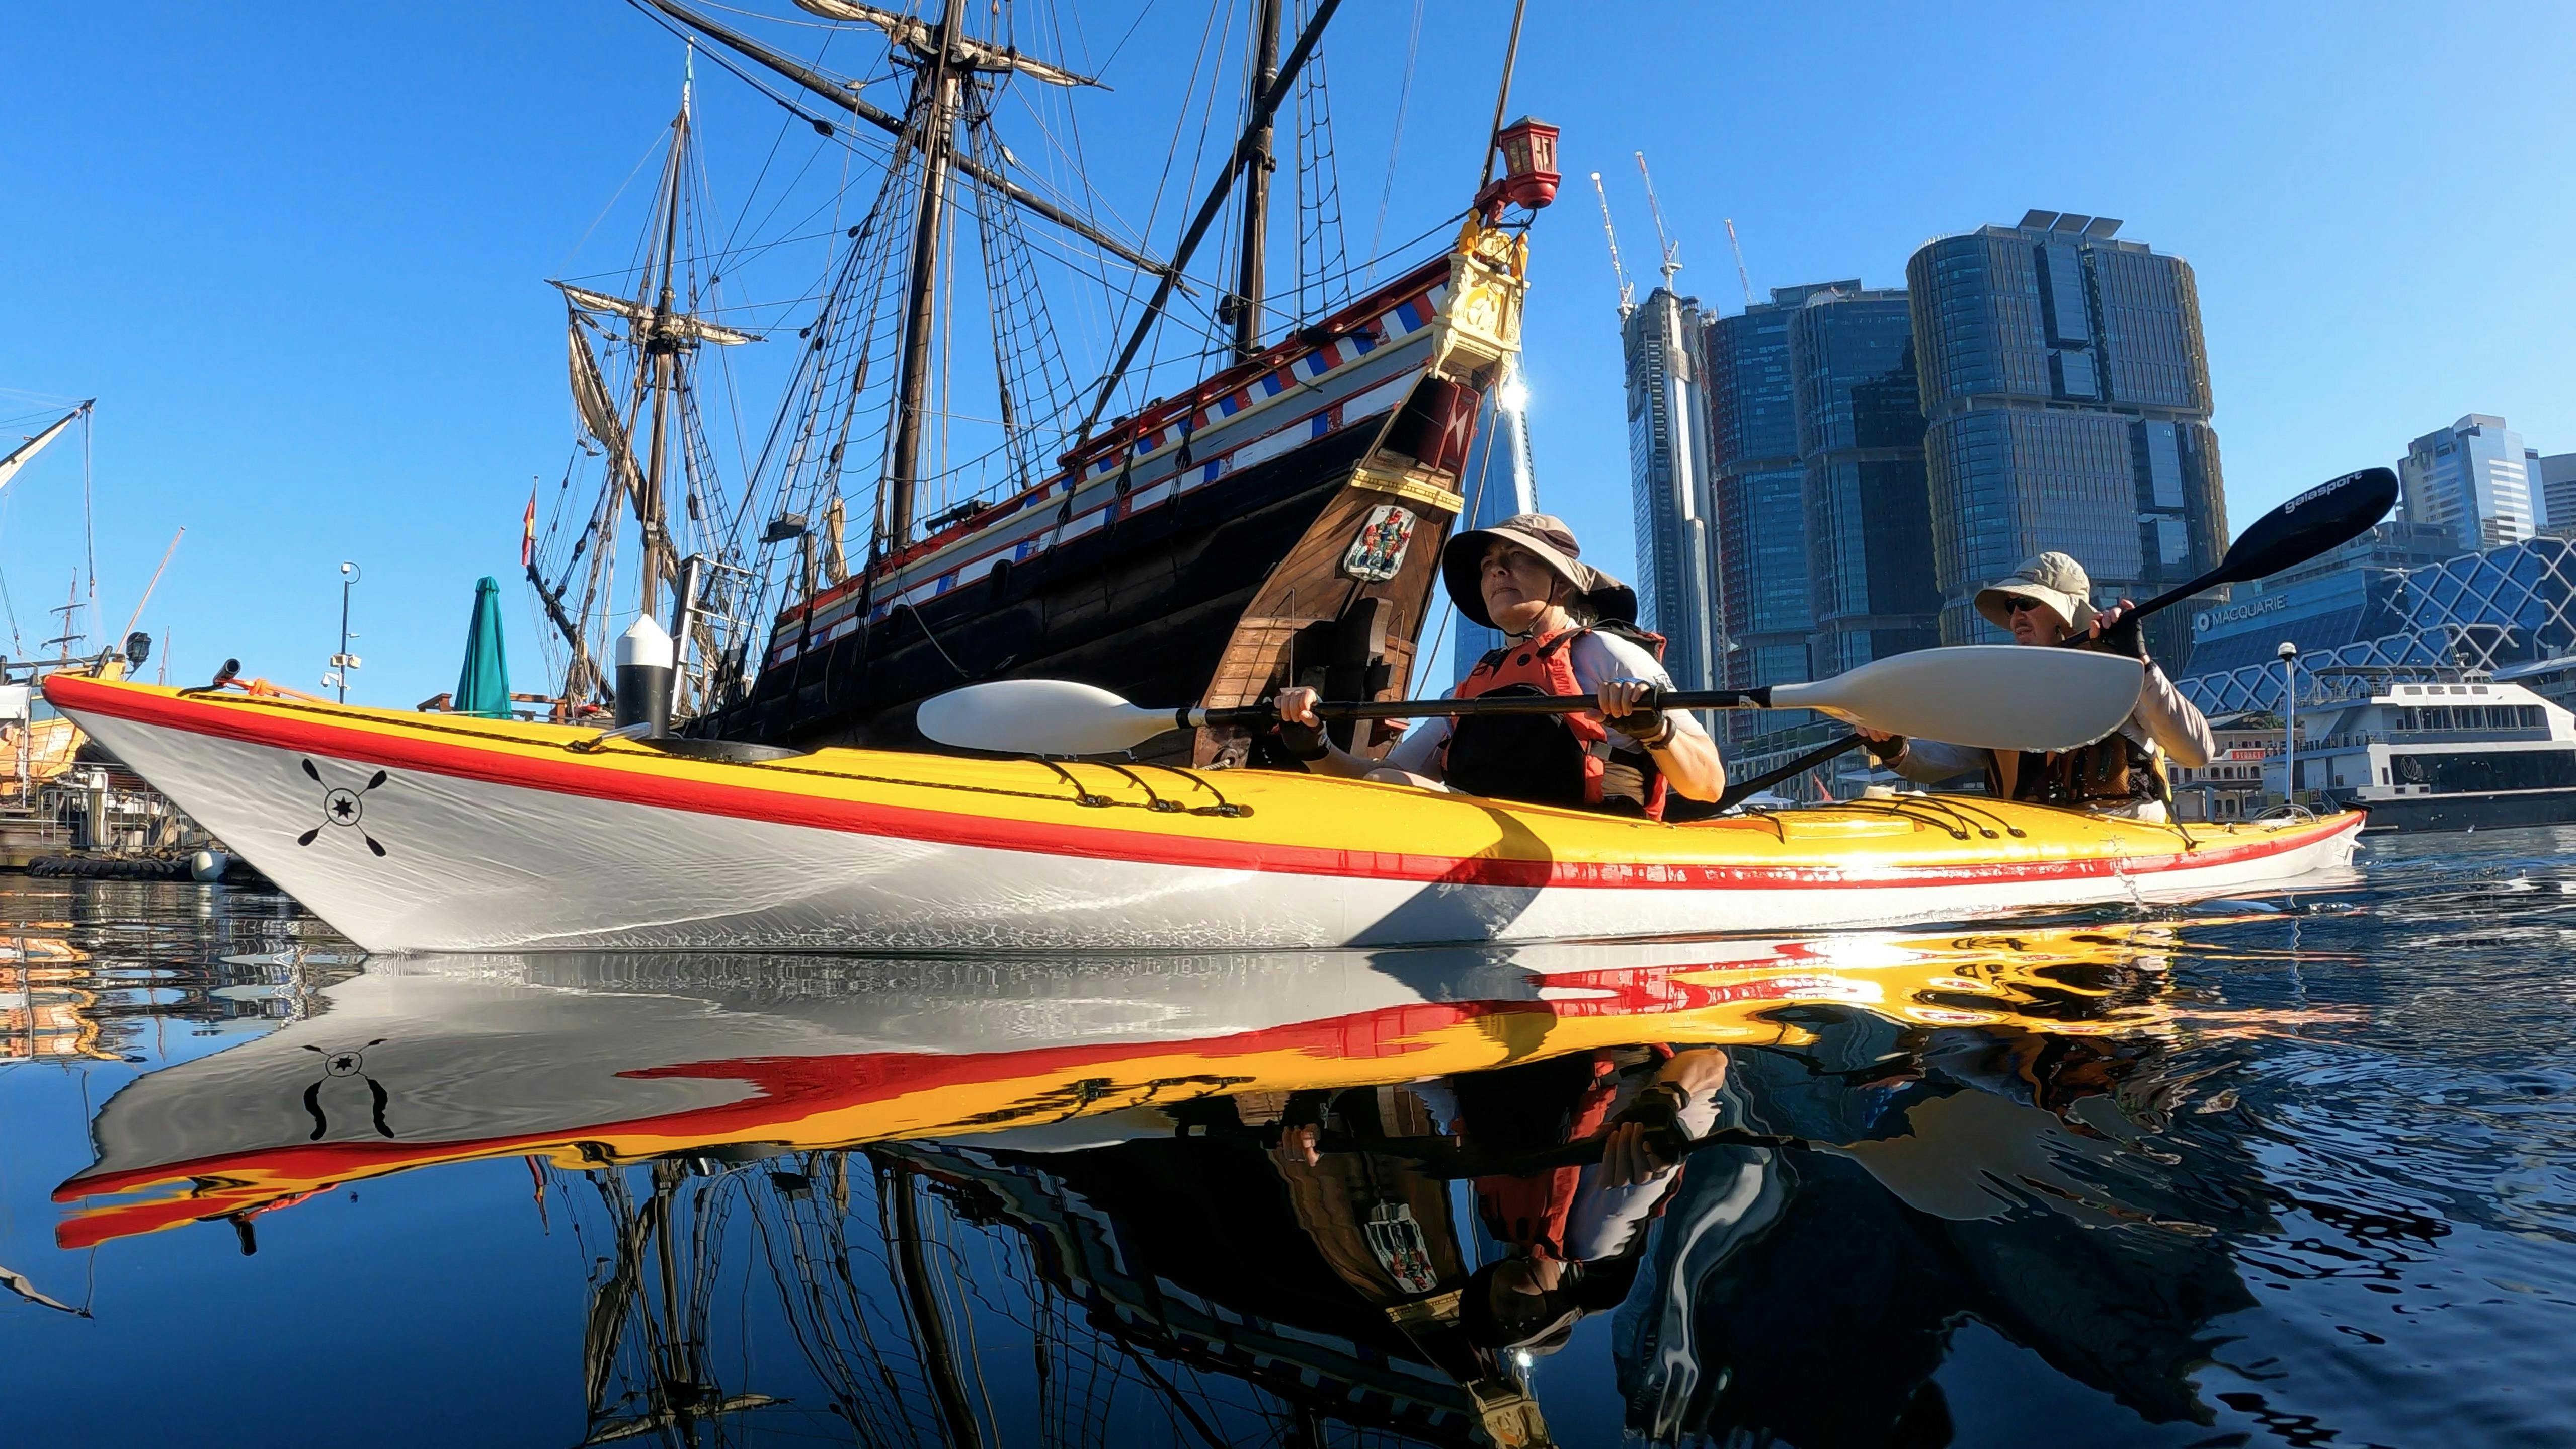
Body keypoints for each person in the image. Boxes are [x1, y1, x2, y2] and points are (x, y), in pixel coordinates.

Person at [1273, 514, 1724, 815]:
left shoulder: (1609, 653)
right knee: (1387, 778)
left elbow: (1709, 784)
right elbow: (1373, 782)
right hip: (1494, 840)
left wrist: (1654, 729)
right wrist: (1313, 743)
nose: (1496, 572)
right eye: (1489, 564)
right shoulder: (1472, 686)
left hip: (1592, 839)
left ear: (1562, 586)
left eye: (1517, 560)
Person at [1859, 552, 2214, 822]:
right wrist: (1893, 746)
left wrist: (2141, 665)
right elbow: (1940, 758)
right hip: (2032, 841)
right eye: (2011, 606)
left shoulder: (2123, 676)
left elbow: (2197, 751)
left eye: (2027, 603)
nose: (2015, 616)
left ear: (2066, 614)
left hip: (2128, 843)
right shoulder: (2003, 695)